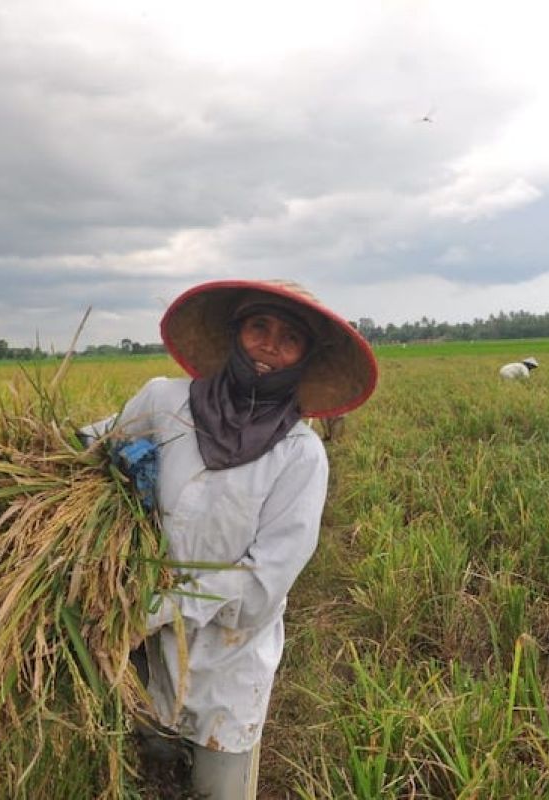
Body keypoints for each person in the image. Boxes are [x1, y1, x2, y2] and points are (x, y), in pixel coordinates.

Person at [93, 279, 378, 799]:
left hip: (229, 661)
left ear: (303, 358)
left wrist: (157, 607)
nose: (271, 345)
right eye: (258, 327)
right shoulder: (165, 402)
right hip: (141, 652)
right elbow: (92, 447)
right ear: (235, 333)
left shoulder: (299, 456)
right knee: (146, 777)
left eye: (289, 338)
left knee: (217, 790)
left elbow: (261, 585)